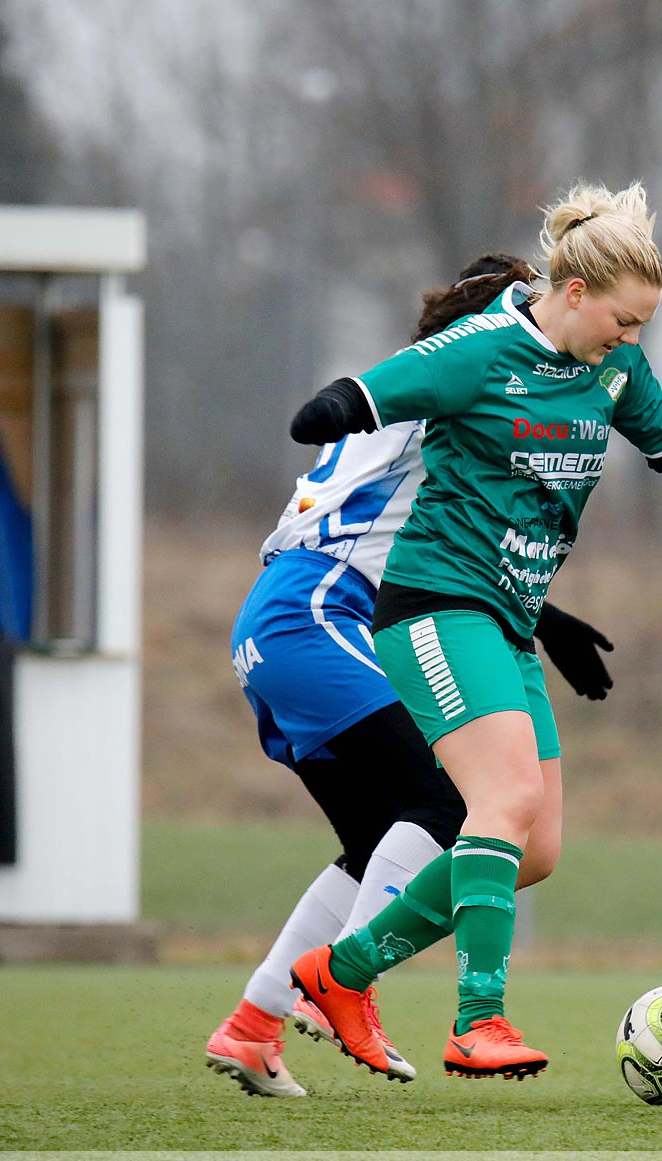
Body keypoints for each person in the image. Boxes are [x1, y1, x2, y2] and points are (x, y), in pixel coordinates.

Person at [285, 181, 662, 1082]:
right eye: (624, 320)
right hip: (433, 606)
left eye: (644, 326)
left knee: (533, 851)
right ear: (575, 294)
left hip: (510, 621)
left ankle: (338, 974)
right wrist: (336, 408)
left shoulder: (610, 367)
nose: (633, 340)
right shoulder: (481, 350)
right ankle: (478, 1020)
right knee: (499, 805)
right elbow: (369, 393)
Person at [203, 254, 620, 1098]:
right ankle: (343, 984)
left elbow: (445, 553)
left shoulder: (424, 391)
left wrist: (549, 619)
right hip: (321, 611)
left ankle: (252, 1026)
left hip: (280, 623)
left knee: (381, 843)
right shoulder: (465, 389)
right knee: (457, 802)